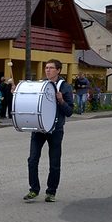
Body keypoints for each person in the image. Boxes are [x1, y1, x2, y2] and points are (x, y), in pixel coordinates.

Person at [24, 59, 73, 203]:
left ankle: (51, 192)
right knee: (32, 160)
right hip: (39, 128)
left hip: (55, 129)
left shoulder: (65, 87)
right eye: (46, 68)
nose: (48, 70)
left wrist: (61, 101)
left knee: (54, 162)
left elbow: (69, 111)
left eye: (51, 68)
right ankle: (34, 189)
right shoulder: (41, 84)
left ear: (58, 70)